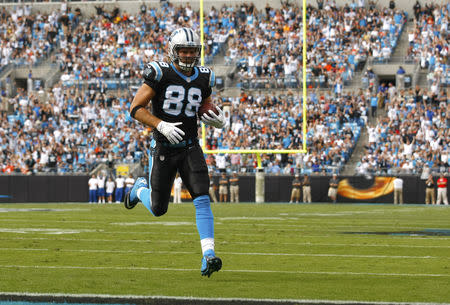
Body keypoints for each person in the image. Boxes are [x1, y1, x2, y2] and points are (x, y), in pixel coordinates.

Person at [123, 27, 225, 277]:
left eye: (193, 51)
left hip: (190, 146)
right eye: (185, 50)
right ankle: (138, 190)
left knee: (202, 197)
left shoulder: (205, 77)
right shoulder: (160, 73)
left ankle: (208, 255)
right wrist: (160, 124)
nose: (189, 56)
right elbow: (135, 108)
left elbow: (204, 104)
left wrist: (216, 117)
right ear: (173, 51)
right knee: (159, 208)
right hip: (164, 148)